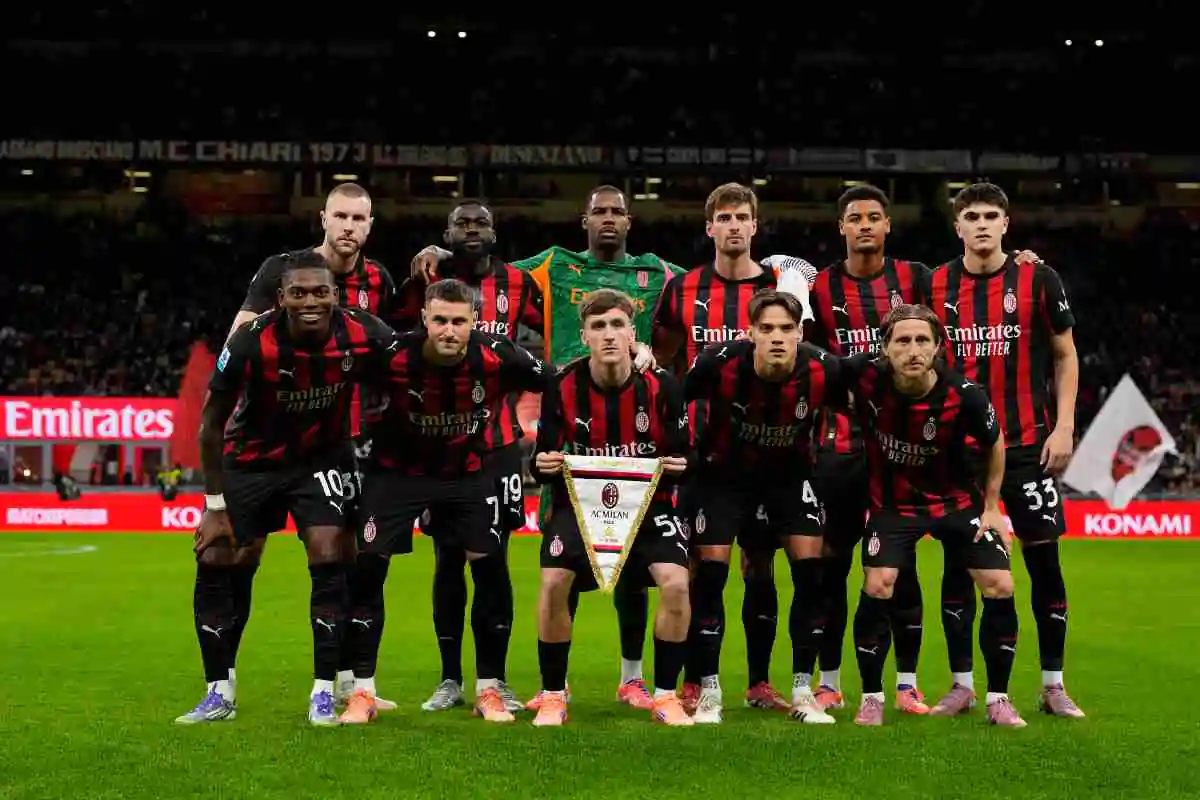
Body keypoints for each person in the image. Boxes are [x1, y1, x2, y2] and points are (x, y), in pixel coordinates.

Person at [176, 251, 398, 726]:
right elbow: (210, 424)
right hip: (252, 460)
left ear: (336, 295)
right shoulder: (250, 343)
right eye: (298, 293)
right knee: (220, 558)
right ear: (280, 299)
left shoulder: (366, 333)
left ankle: (323, 691)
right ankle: (219, 689)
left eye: (321, 292)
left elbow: (411, 372)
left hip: (321, 458)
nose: (311, 301)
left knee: (330, 552)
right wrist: (215, 506)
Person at [219, 182, 400, 710]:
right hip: (275, 439)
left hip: (349, 440)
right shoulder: (283, 269)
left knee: (351, 557)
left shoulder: (379, 279)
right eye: (340, 216)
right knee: (243, 556)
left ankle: (348, 682)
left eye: (359, 219)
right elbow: (241, 336)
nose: (349, 227)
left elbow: (390, 347)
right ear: (323, 218)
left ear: (370, 225)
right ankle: (222, 682)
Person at [338, 279, 550, 725]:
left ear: (473, 321)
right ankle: (363, 692)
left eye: (458, 321)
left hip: (465, 475)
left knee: (489, 567)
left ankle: (488, 689)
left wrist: (639, 359)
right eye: (440, 320)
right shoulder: (391, 355)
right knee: (369, 567)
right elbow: (337, 374)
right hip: (396, 475)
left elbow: (559, 382)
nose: (449, 330)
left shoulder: (497, 353)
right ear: (424, 320)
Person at [653, 182, 817, 713]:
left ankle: (759, 683)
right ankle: (700, 681)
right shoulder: (681, 289)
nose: (732, 226)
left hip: (777, 456)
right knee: (704, 567)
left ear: (754, 226)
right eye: (723, 217)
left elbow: (812, 359)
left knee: (761, 567)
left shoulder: (783, 285)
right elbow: (663, 366)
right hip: (708, 456)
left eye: (741, 217)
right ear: (710, 228)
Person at [928, 183, 1082, 718]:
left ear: (1007, 223)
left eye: (992, 215)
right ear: (958, 227)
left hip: (1027, 447)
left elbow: (1065, 353)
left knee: (1045, 562)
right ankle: (963, 684)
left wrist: (1063, 427)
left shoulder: (1038, 278)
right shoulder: (936, 284)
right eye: (972, 216)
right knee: (959, 567)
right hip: (961, 454)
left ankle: (1053, 684)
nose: (982, 224)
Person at [838, 302, 1025, 727]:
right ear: (885, 348)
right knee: (879, 583)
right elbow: (814, 364)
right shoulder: (865, 376)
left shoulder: (967, 395)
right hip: (894, 506)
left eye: (923, 340)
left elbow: (996, 443)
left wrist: (993, 507)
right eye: (902, 340)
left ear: (939, 346)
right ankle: (871, 698)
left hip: (959, 503)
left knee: (999, 583)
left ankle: (998, 699)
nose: (913, 349)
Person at [392, 200, 543, 714]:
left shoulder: (522, 286)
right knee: (447, 560)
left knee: (493, 562)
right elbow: (397, 338)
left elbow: (543, 350)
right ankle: (450, 677)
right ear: (447, 232)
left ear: (495, 233)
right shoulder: (427, 275)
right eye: (462, 223)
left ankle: (493, 680)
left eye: (480, 223)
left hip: (498, 449)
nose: (471, 230)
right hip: (438, 447)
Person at [527, 289, 693, 727]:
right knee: (552, 582)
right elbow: (543, 458)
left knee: (676, 583)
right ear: (583, 335)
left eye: (618, 325)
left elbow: (683, 457)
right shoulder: (561, 385)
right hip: (578, 509)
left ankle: (665, 695)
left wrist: (680, 465)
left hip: (649, 509)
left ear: (632, 334)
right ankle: (552, 693)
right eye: (598, 326)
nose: (609, 334)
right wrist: (541, 464)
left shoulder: (663, 387)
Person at [682, 289, 840, 725]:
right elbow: (673, 398)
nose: (776, 337)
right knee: (710, 575)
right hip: (722, 477)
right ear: (750, 332)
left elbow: (866, 406)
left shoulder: (824, 368)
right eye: (766, 328)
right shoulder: (719, 363)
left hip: (790, 479)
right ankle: (709, 690)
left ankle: (803, 692)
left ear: (800, 333)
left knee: (810, 577)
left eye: (786, 329)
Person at [805, 184, 933, 714]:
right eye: (854, 217)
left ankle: (906, 683)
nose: (863, 225)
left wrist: (1022, 259)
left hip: (900, 448)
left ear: (887, 226)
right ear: (841, 227)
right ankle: (830, 680)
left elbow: (968, 290)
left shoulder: (917, 279)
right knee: (832, 569)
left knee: (899, 567)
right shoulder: (820, 287)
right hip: (837, 447)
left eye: (873, 217)